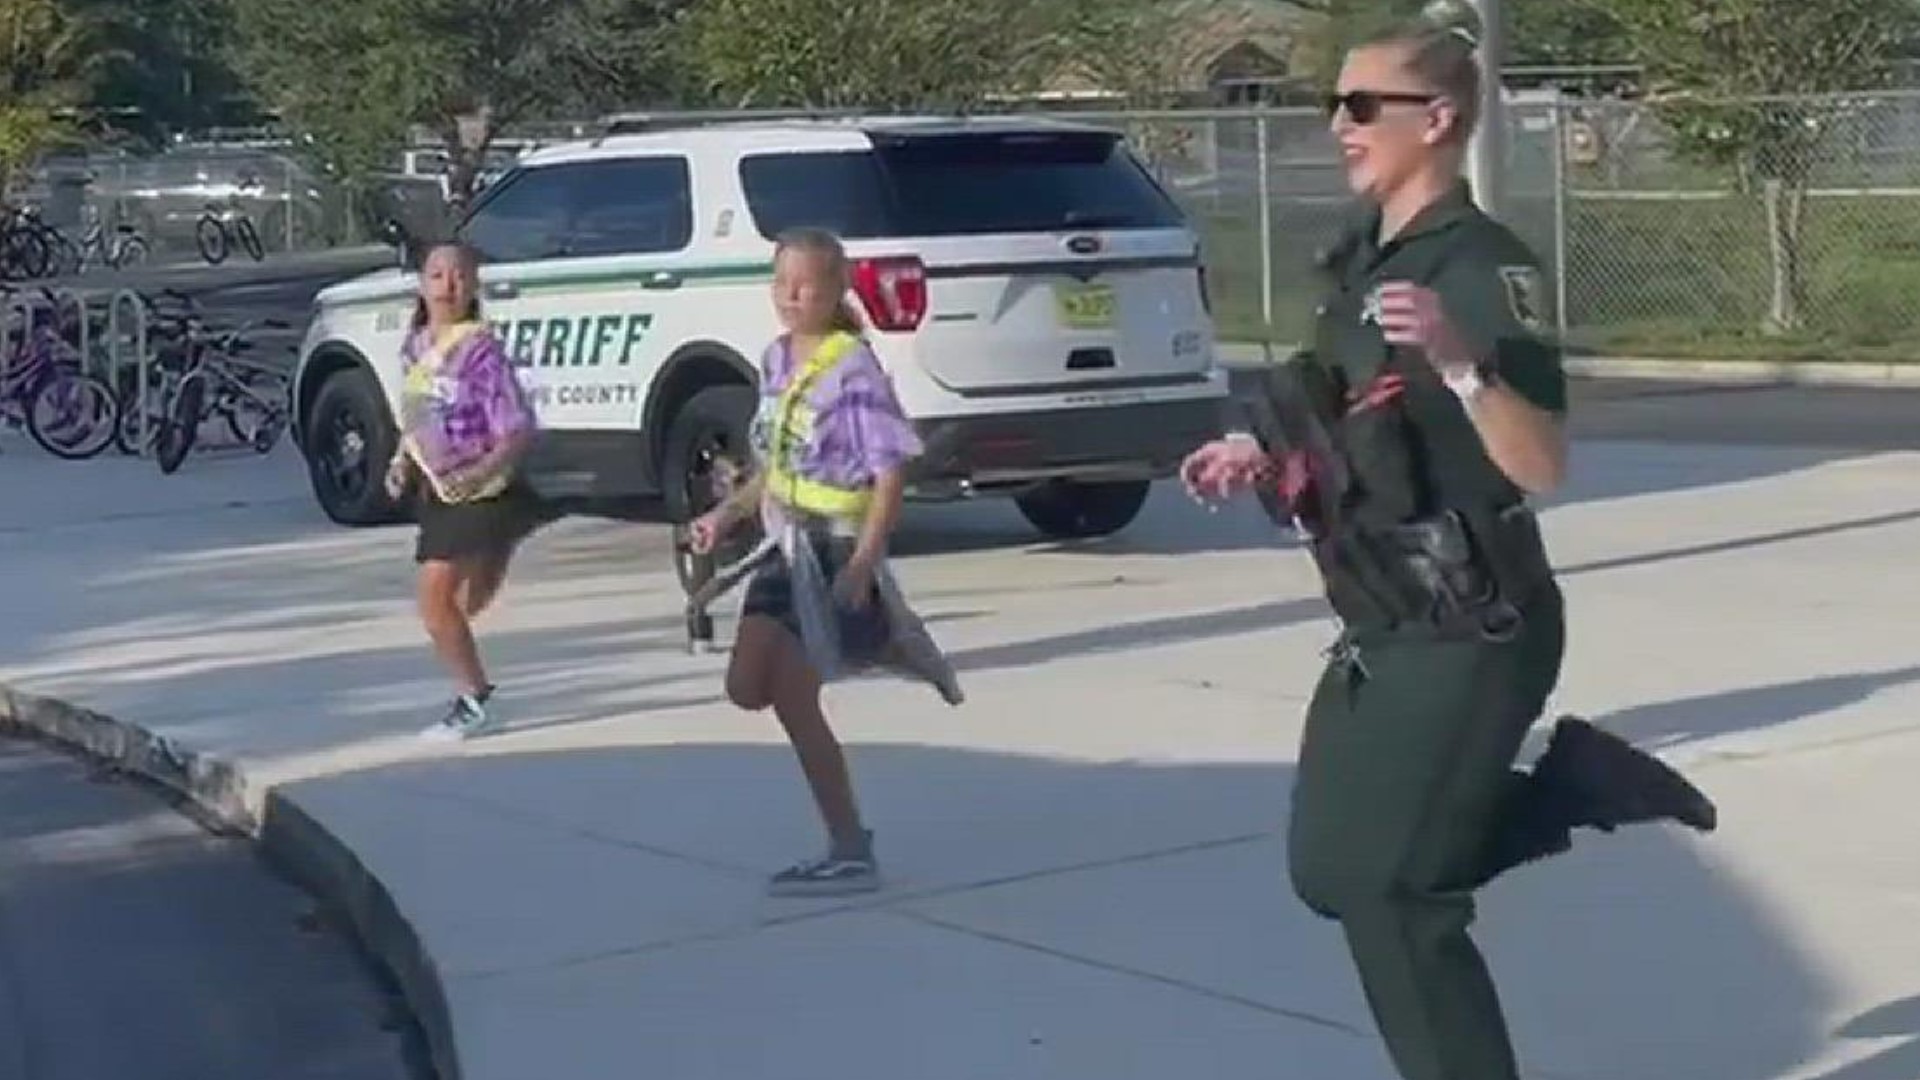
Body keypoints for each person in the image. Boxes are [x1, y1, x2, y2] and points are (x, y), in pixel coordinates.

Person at [1181, 17, 1719, 1080]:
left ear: (1438, 120)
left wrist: (1468, 365)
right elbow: (1332, 394)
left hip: (1475, 619)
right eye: (1334, 104)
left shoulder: (1480, 269)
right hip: (1381, 613)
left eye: (1362, 105)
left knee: (1394, 894)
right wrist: (1252, 444)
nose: (1340, 124)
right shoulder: (1363, 257)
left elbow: (1540, 463)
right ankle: (1570, 789)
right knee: (1328, 870)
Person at [688, 226, 961, 898]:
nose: (790, 295)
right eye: (780, 282)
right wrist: (724, 515)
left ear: (836, 290)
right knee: (747, 687)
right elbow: (773, 468)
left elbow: (890, 470)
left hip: (833, 548)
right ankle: (874, 640)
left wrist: (865, 561)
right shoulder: (777, 360)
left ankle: (848, 846)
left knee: (790, 698)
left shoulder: (854, 369)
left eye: (806, 284)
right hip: (785, 546)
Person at [383, 241, 543, 742]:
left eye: (458, 276)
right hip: (438, 489)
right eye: (437, 275)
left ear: (474, 286)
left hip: (481, 489)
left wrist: (483, 471)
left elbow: (518, 427)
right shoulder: (415, 346)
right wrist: (400, 459)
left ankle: (474, 699)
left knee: (434, 602)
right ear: (421, 285)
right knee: (459, 606)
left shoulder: (480, 351)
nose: (447, 285)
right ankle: (501, 546)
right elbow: (417, 415)